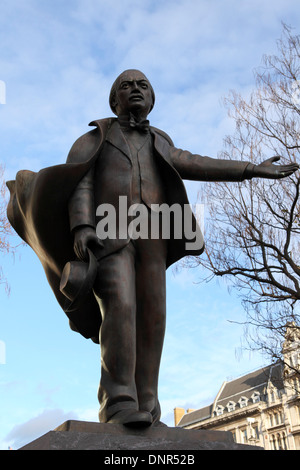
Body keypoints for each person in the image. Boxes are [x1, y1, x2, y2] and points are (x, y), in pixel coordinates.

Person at [7, 69, 299, 428]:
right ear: (114, 100)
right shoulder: (95, 138)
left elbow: (197, 163)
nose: (134, 89)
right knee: (121, 309)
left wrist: (251, 169)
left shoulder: (160, 140)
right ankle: (118, 402)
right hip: (110, 234)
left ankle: (147, 403)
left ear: (151, 99)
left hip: (155, 234)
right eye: (125, 85)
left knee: (154, 318)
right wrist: (82, 227)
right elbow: (78, 182)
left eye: (142, 84)